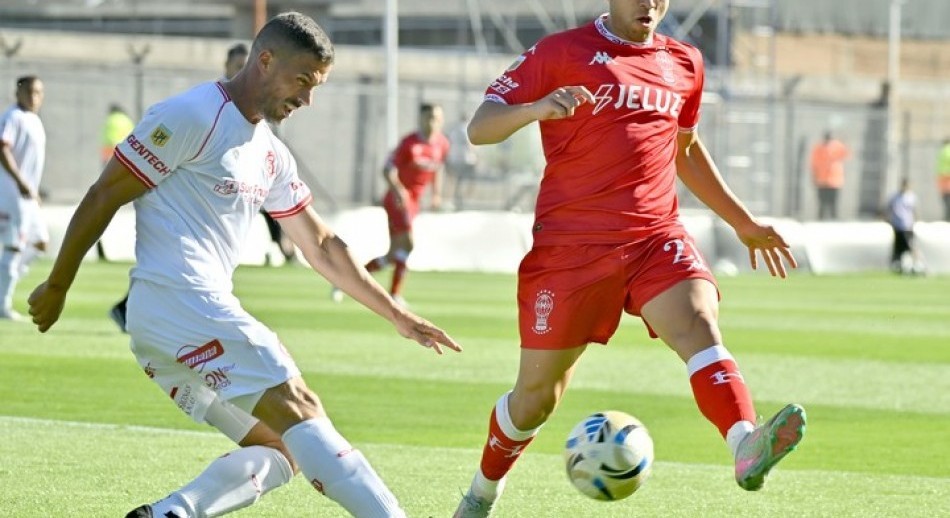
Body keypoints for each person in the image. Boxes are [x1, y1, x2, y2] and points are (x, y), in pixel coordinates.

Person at [28, 12, 461, 518]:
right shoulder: (192, 114)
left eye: (316, 87)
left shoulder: (270, 153)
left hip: (168, 324)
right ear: (266, 60)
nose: (307, 100)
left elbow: (319, 244)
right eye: (303, 81)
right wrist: (57, 286)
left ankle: (171, 513)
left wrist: (397, 315)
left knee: (283, 449)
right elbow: (105, 194)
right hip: (183, 302)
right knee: (300, 407)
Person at [452, 3, 805, 516]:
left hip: (654, 237)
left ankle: (744, 443)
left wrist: (742, 222)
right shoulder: (559, 52)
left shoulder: (685, 62)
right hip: (570, 251)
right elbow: (479, 128)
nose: (650, 4)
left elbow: (683, 149)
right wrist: (535, 109)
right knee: (535, 399)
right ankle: (482, 493)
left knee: (700, 324)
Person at [107, 42, 295, 333]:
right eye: (239, 66)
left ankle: (282, 247)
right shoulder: (206, 109)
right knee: (179, 263)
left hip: (229, 199)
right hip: (193, 204)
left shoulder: (258, 120)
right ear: (228, 68)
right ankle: (130, 309)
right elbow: (104, 193)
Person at [333, 103, 449, 306]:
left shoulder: (442, 144)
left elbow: (437, 169)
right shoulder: (409, 144)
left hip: (414, 202)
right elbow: (387, 170)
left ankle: (346, 281)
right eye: (428, 117)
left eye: (437, 118)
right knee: (408, 244)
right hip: (397, 201)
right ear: (421, 119)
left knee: (395, 253)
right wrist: (399, 190)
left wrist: (437, 194)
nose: (433, 122)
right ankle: (394, 295)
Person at [0, 75, 47, 321]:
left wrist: (34, 191)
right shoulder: (12, 117)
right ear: (17, 93)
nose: (33, 97)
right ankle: (2, 304)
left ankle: (5, 279)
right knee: (13, 246)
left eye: (38, 92)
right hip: (11, 195)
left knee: (40, 243)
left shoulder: (35, 120)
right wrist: (21, 183)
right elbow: (2, 147)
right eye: (29, 91)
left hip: (28, 196)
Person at [886, 178, 923, 275]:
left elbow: (914, 211)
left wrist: (915, 222)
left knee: (912, 247)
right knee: (898, 248)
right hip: (897, 226)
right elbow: (888, 208)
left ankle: (919, 266)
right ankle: (898, 266)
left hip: (907, 227)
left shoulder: (911, 197)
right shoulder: (895, 197)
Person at [810, 130, 850, 220]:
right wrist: (814, 177)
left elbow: (846, 155)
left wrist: (844, 142)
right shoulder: (818, 148)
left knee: (833, 202)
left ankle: (834, 219)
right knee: (822, 202)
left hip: (834, 180)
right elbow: (814, 164)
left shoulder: (838, 146)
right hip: (822, 180)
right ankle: (821, 219)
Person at [445, 112, 479, 210]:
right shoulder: (467, 128)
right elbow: (470, 144)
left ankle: (458, 200)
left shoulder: (454, 129)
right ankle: (463, 200)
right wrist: (476, 156)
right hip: (467, 159)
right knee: (468, 181)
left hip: (455, 159)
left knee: (458, 181)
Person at [936, 137, 950, 221]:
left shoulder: (941, 151)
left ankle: (946, 216)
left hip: (941, 177)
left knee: (945, 198)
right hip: (948, 176)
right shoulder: (948, 150)